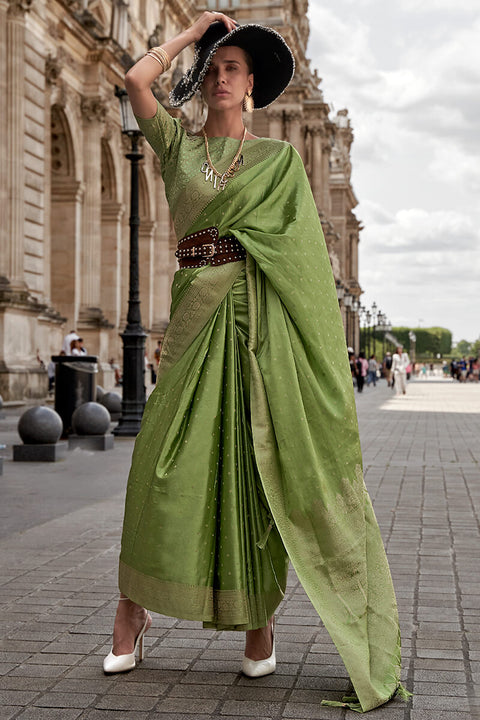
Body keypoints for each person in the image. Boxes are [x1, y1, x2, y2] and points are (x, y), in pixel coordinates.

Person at [104, 13, 409, 713]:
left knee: (251, 472)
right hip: (194, 321)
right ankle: (133, 611)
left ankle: (258, 626)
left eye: (231, 69)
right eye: (212, 69)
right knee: (159, 466)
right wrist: (193, 34)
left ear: (252, 88)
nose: (218, 78)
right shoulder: (175, 146)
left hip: (259, 328)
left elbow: (302, 266)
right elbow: (135, 79)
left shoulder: (280, 164)